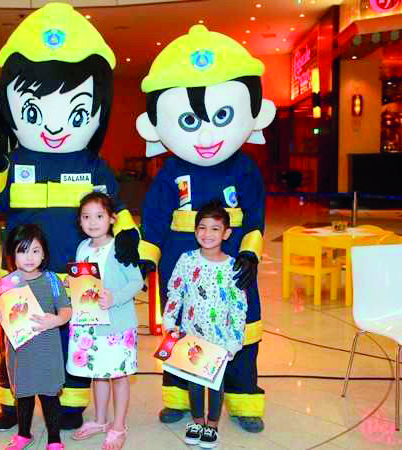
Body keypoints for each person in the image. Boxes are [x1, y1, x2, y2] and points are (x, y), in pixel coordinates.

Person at [0, 2, 147, 431]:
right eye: (36, 111)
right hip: (22, 265)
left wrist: (130, 237)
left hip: (75, 272)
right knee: (17, 332)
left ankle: (71, 403)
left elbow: (118, 209)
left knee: (72, 335)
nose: (54, 127)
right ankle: (11, 403)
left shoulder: (93, 163)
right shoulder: (17, 159)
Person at [137, 24, 275, 432]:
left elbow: (255, 217)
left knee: (242, 331)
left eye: (220, 117)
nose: (207, 133)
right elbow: (154, 219)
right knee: (180, 330)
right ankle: (179, 396)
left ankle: (243, 398)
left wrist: (249, 252)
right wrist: (146, 262)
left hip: (233, 269)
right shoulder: (169, 172)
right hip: (183, 268)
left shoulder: (245, 168)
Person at [162, 201, 248, 448]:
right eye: (202, 227)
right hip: (192, 336)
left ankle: (212, 425)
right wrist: (169, 321)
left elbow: (238, 306)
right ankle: (197, 421)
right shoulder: (187, 260)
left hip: (219, 340)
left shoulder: (233, 267)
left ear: (226, 233)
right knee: (195, 381)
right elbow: (175, 292)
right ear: (195, 230)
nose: (207, 234)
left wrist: (234, 340)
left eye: (215, 229)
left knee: (216, 383)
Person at [66, 192, 143, 450]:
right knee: (98, 374)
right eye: (86, 217)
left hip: (117, 326)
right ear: (79, 221)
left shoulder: (120, 247)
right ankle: (100, 421)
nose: (92, 222)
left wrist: (115, 298)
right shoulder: (82, 248)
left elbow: (137, 282)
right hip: (89, 325)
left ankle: (119, 426)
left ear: (111, 218)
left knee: (118, 376)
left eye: (99, 216)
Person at [0, 224, 72, 450]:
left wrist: (56, 319)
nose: (29, 257)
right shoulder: (4, 286)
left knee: (49, 396)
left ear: (44, 253)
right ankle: (24, 435)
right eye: (22, 251)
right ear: (12, 255)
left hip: (47, 351)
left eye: (35, 250)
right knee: (23, 396)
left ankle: (54, 438)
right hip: (20, 353)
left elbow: (66, 309)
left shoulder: (52, 280)